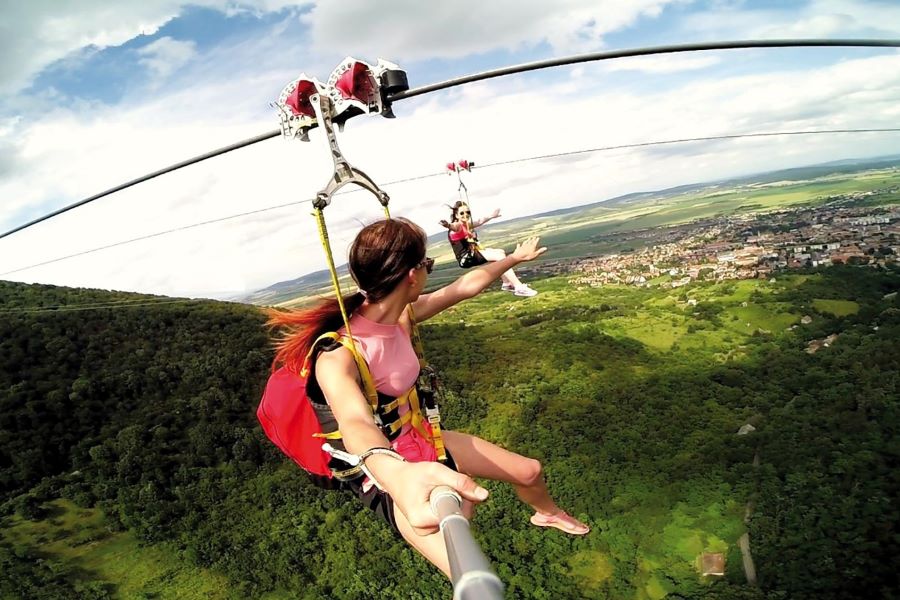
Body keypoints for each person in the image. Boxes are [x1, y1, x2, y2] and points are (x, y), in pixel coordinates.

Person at [267, 217, 588, 579]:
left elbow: (463, 288)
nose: (429, 273)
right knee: (467, 570)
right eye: (427, 265)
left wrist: (512, 260)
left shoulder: (401, 317)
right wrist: (394, 473)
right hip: (391, 477)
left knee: (529, 471)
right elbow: (353, 420)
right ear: (411, 276)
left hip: (423, 438)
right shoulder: (339, 353)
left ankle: (545, 513)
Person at [440, 201, 538, 297]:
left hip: (472, 253)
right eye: (462, 213)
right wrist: (447, 225)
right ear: (456, 215)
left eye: (468, 212)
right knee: (498, 256)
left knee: (500, 252)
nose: (465, 215)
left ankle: (507, 283)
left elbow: (480, 221)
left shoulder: (466, 224)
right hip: (466, 257)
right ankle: (518, 286)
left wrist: (492, 216)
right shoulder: (458, 225)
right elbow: (453, 227)